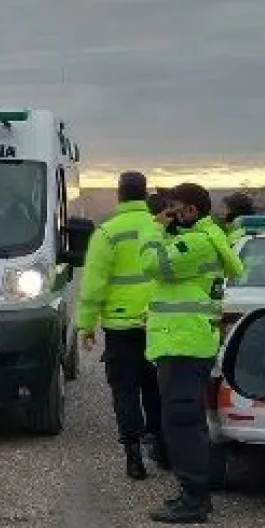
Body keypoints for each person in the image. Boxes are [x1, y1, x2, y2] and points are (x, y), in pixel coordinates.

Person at [140, 183, 244, 523]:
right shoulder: (199, 238)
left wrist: (155, 226)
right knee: (185, 421)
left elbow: (152, 265)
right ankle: (192, 492)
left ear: (191, 212)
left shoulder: (197, 243)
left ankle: (195, 498)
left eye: (174, 207)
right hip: (182, 342)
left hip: (183, 343)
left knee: (183, 422)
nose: (168, 212)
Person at [76, 172, 169, 481]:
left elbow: (93, 286)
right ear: (144, 194)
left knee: (124, 391)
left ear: (119, 195)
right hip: (157, 322)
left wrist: (86, 326)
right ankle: (163, 449)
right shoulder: (160, 227)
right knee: (157, 388)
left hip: (119, 327)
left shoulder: (107, 233)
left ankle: (133, 457)